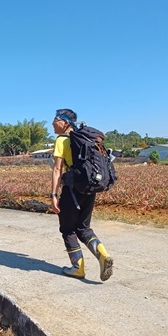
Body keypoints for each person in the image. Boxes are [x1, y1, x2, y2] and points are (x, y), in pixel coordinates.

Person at [50, 109, 113, 281]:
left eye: (55, 119)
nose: (52, 123)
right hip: (90, 187)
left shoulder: (62, 140)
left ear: (65, 122)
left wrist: (53, 194)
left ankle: (78, 268)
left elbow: (57, 169)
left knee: (67, 229)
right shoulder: (86, 139)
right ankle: (103, 254)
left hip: (72, 189)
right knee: (83, 228)